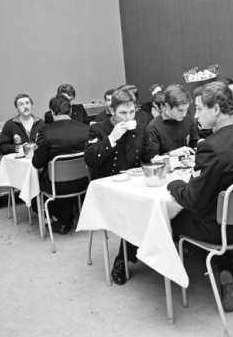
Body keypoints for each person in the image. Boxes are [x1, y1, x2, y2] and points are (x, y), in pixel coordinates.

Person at [167, 82, 233, 312]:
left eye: (199, 109)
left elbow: (193, 199)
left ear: (215, 109)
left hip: (222, 230)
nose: (196, 116)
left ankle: (222, 266)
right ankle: (231, 265)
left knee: (170, 218)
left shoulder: (211, 147)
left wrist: (173, 184)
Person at [84, 88, 157, 285]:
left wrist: (162, 159)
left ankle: (156, 250)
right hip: (107, 190)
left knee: (155, 204)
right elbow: (90, 159)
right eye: (123, 113)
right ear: (112, 110)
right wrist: (112, 138)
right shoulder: (98, 129)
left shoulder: (140, 128)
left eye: (132, 112)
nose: (128, 117)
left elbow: (148, 155)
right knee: (138, 211)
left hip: (133, 186)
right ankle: (122, 261)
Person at [32, 95, 89, 234]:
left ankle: (55, 217)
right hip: (84, 183)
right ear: (70, 111)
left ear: (52, 112)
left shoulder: (45, 132)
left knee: (35, 181)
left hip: (57, 186)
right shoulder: (85, 129)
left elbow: (37, 163)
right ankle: (66, 217)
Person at [147, 84, 199, 157]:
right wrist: (171, 154)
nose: (184, 114)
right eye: (180, 110)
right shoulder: (153, 127)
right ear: (167, 106)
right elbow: (152, 159)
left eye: (186, 109)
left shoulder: (187, 118)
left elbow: (195, 143)